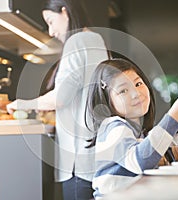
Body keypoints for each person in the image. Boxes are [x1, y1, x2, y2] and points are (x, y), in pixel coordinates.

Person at [7, 0, 109, 199]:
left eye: (51, 21)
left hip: (77, 160)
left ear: (65, 12)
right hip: (92, 153)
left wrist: (23, 104)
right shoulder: (95, 39)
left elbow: (61, 97)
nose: (51, 31)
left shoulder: (77, 40)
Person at [85, 58, 178, 198]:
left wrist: (175, 129)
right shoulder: (112, 127)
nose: (136, 93)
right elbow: (142, 161)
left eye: (138, 83)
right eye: (123, 91)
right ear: (106, 101)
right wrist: (174, 117)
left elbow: (157, 158)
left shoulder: (138, 133)